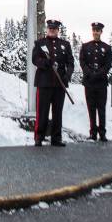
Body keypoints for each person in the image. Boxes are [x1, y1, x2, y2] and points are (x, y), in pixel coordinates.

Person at [31, 19, 75, 147]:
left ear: (58, 30)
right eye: (50, 28)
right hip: (44, 83)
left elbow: (70, 63)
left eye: (54, 29)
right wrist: (46, 63)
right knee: (42, 111)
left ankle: (56, 138)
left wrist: (67, 75)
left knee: (57, 112)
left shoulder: (65, 45)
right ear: (47, 29)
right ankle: (39, 137)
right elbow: (35, 59)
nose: (52, 30)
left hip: (59, 83)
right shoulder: (40, 43)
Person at [79, 22, 112, 141]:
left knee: (101, 108)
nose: (95, 32)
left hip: (101, 82)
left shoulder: (107, 48)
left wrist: (98, 74)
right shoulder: (85, 46)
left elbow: (108, 64)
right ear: (92, 31)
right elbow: (82, 62)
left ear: (101, 32)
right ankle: (93, 132)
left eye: (98, 30)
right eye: (94, 30)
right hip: (89, 82)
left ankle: (102, 133)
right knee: (91, 108)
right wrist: (89, 73)